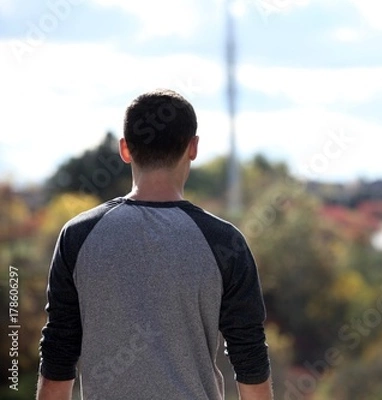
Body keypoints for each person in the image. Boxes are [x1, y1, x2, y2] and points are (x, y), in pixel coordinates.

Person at [36, 89, 273, 400]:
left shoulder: (78, 235)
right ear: (193, 147)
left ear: (125, 149)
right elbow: (249, 356)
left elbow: (59, 351)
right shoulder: (224, 242)